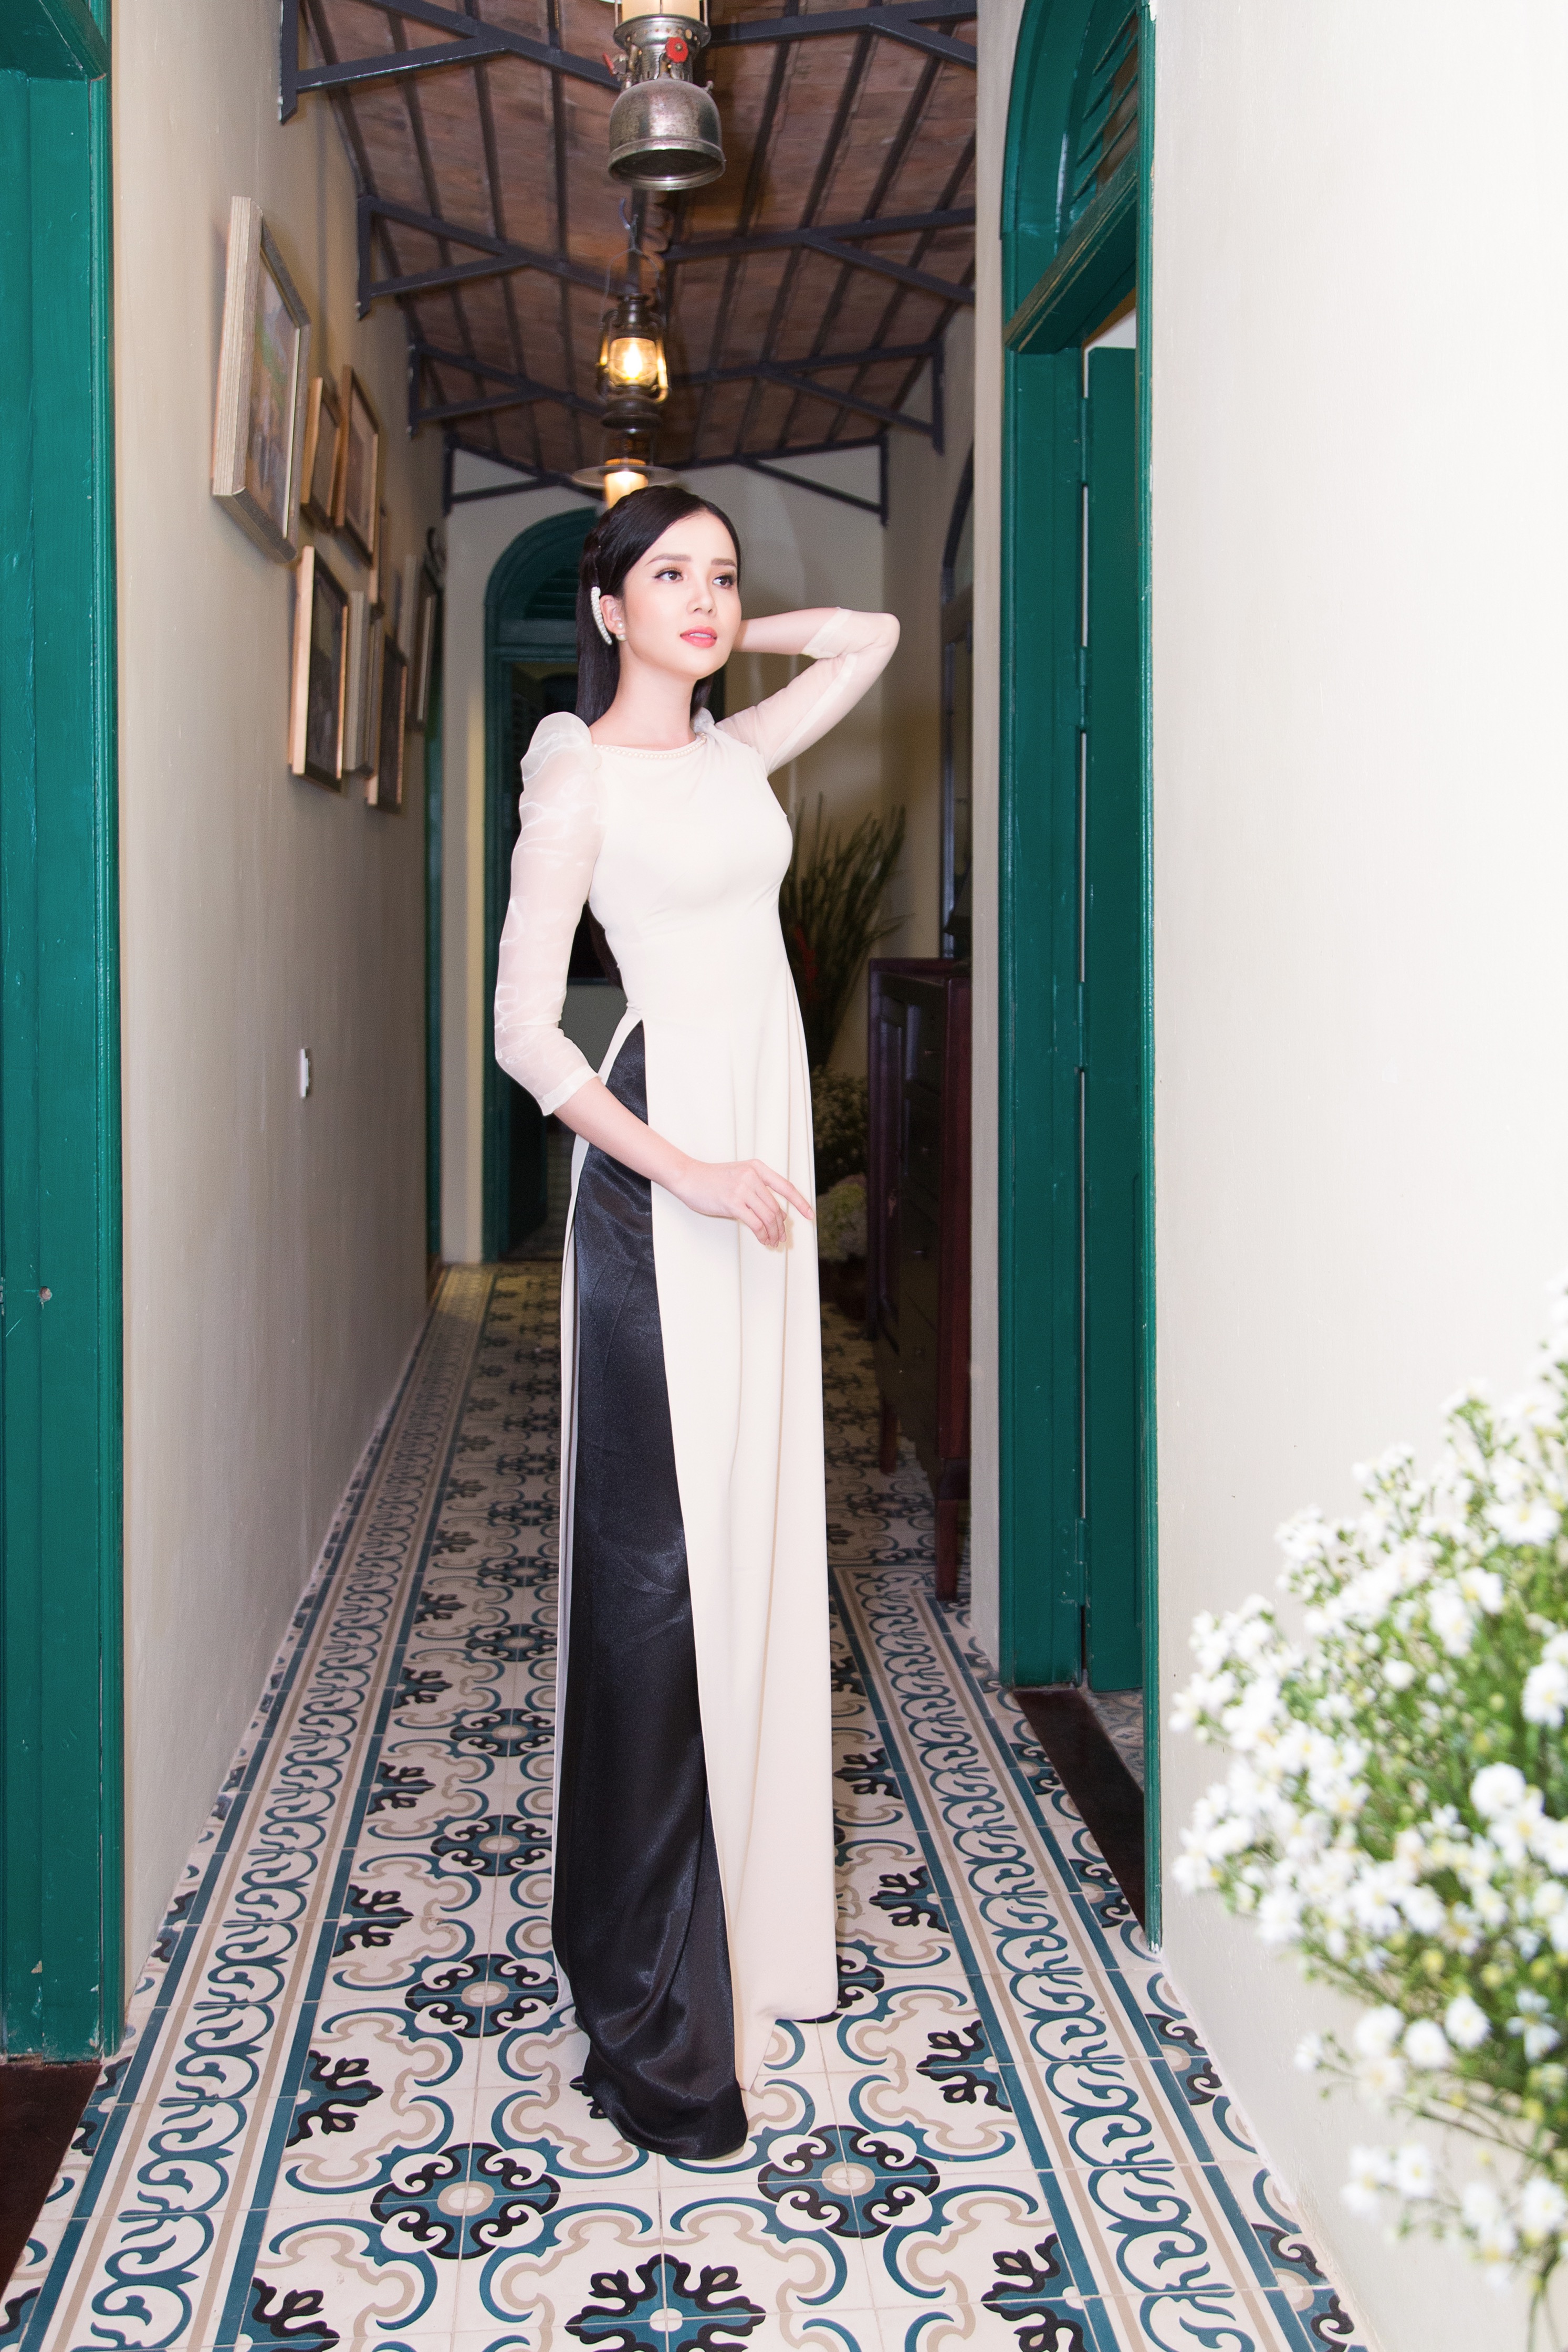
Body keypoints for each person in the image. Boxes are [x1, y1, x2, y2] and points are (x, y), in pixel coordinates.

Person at [493, 483, 898, 2159]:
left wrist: (729, 639)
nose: (704, 595)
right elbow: (526, 1034)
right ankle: (649, 2004)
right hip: (667, 1177)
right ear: (603, 604)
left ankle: (753, 1938)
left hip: (757, 1175)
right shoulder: (576, 775)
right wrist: (689, 1170)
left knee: (753, 1538)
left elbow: (869, 635)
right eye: (665, 574)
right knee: (656, 1584)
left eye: (720, 574)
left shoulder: (733, 756)